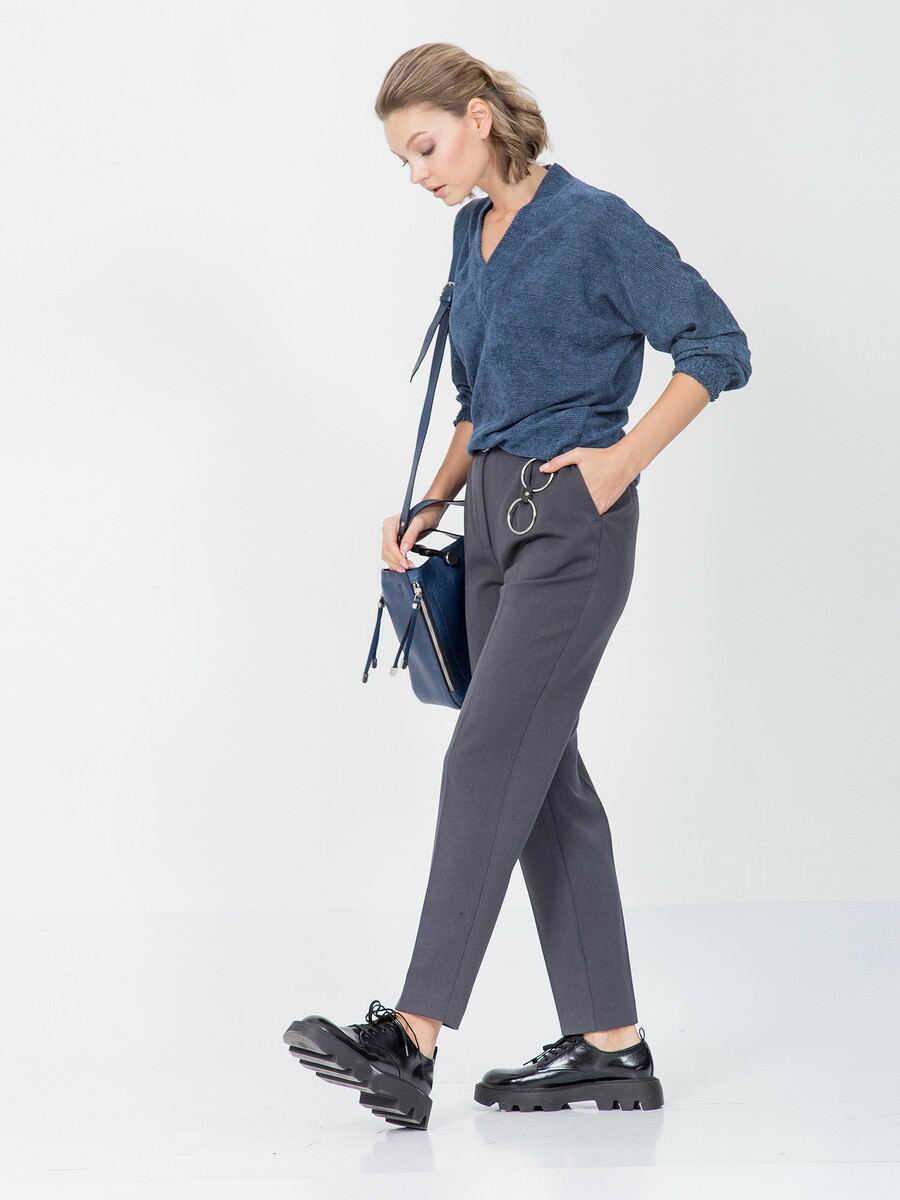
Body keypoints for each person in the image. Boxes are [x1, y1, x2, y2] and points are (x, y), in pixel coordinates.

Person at [283, 42, 752, 1131]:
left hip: (568, 525)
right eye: (403, 161)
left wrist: (617, 463)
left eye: (425, 148)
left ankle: (411, 1039)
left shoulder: (592, 224)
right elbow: (476, 399)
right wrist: (431, 502)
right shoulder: (472, 233)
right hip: (489, 526)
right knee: (540, 780)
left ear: (480, 116)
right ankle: (611, 1046)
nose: (418, 174)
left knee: (487, 757)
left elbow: (717, 344)